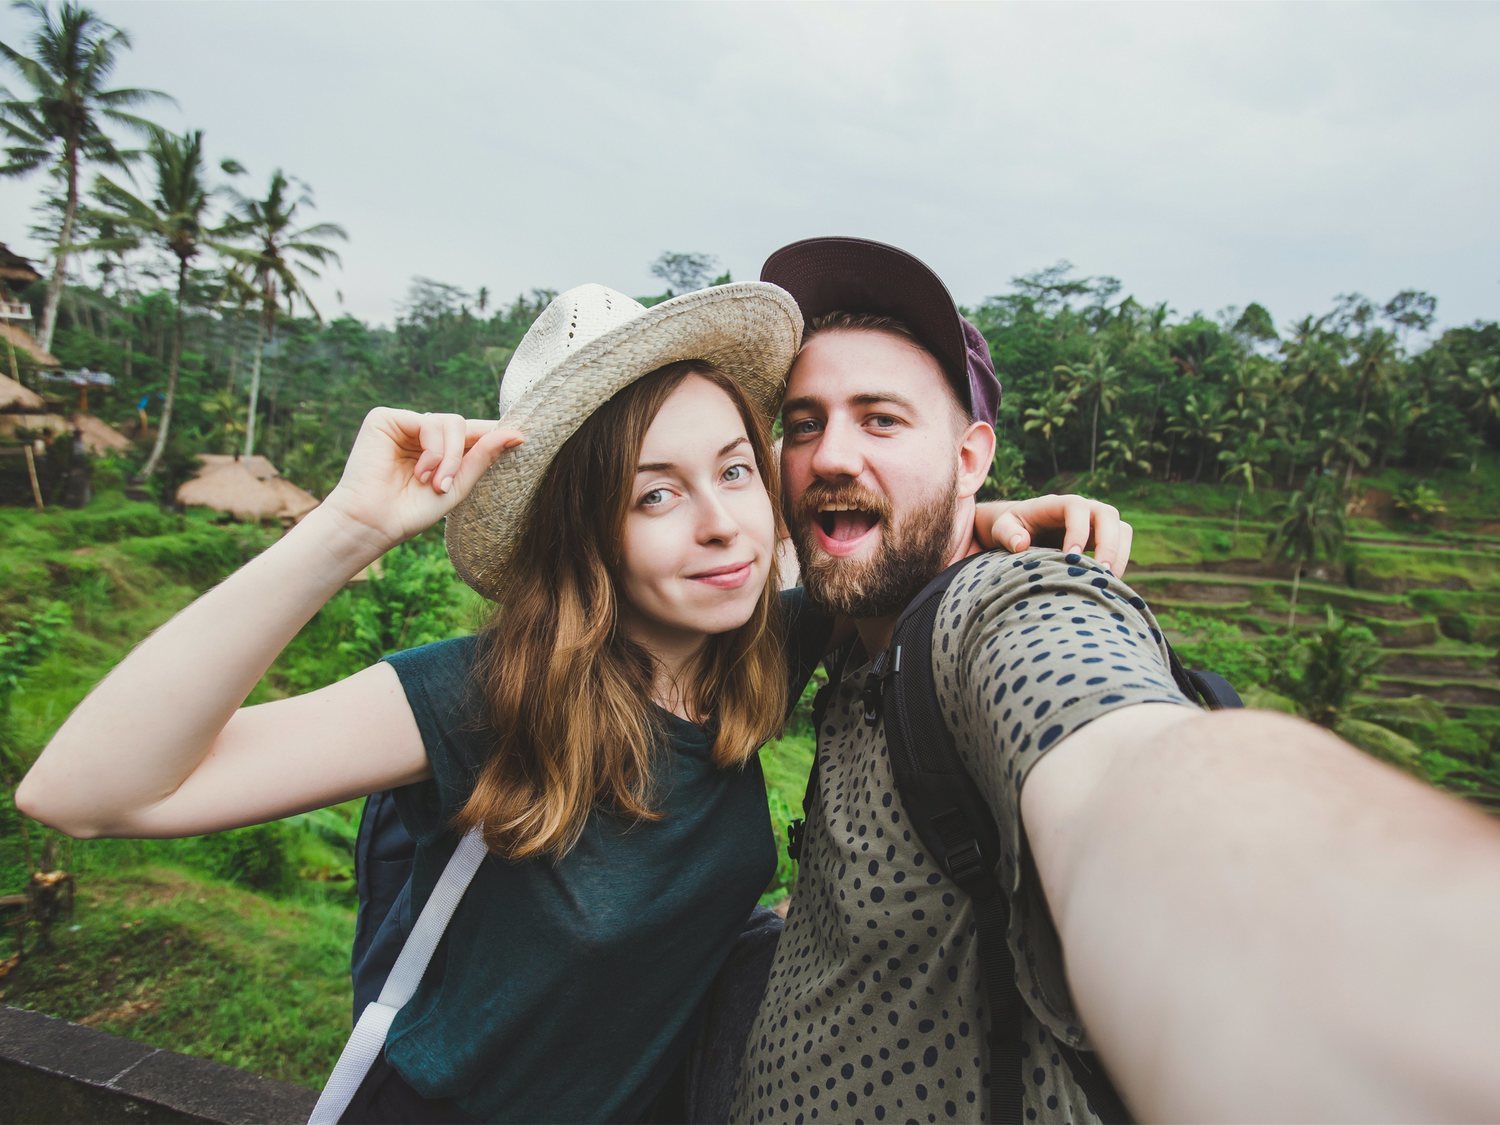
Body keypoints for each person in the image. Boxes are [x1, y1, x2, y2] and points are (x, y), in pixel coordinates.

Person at [16, 280, 1123, 1123]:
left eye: (736, 470)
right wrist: (347, 531)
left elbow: (887, 554)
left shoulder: (758, 650)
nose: (725, 526)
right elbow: (85, 792)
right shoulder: (481, 694)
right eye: (656, 494)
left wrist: (991, 517)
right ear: (587, 528)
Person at [729, 236, 1500, 1123]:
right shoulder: (843, 628)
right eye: (803, 423)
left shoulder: (1008, 604)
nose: (829, 455)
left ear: (972, 458)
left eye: (881, 419)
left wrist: (1385, 957)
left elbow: (1117, 756)